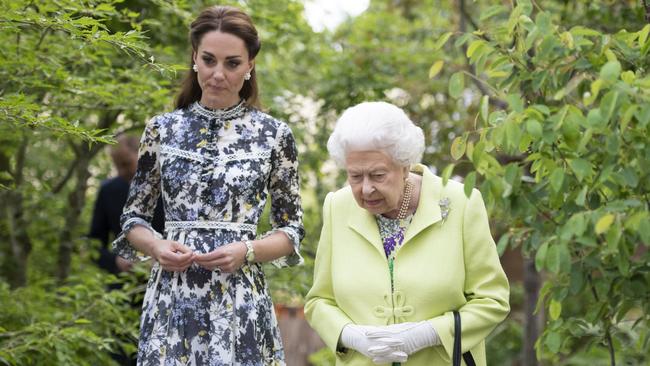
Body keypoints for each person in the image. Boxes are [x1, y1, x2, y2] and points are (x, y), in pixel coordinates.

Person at [112, 5, 304, 365]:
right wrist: (156, 246)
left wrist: (246, 251)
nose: (218, 74)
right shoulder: (162, 129)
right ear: (194, 58)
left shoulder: (274, 135)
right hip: (173, 300)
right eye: (209, 60)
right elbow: (133, 219)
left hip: (240, 303)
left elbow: (291, 231)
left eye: (232, 63)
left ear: (249, 66)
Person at [305, 101, 510, 365]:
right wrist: (351, 336)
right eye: (355, 176)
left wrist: (429, 333)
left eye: (378, 175)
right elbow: (319, 301)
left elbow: (492, 300)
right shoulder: (338, 207)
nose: (366, 189)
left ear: (404, 166)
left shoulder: (461, 202)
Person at [90, 135, 164, 276]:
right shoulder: (108, 191)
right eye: (117, 165)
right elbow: (94, 244)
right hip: (122, 286)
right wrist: (116, 261)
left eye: (126, 164)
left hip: (166, 279)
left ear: (143, 154)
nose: (121, 171)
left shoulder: (168, 188)